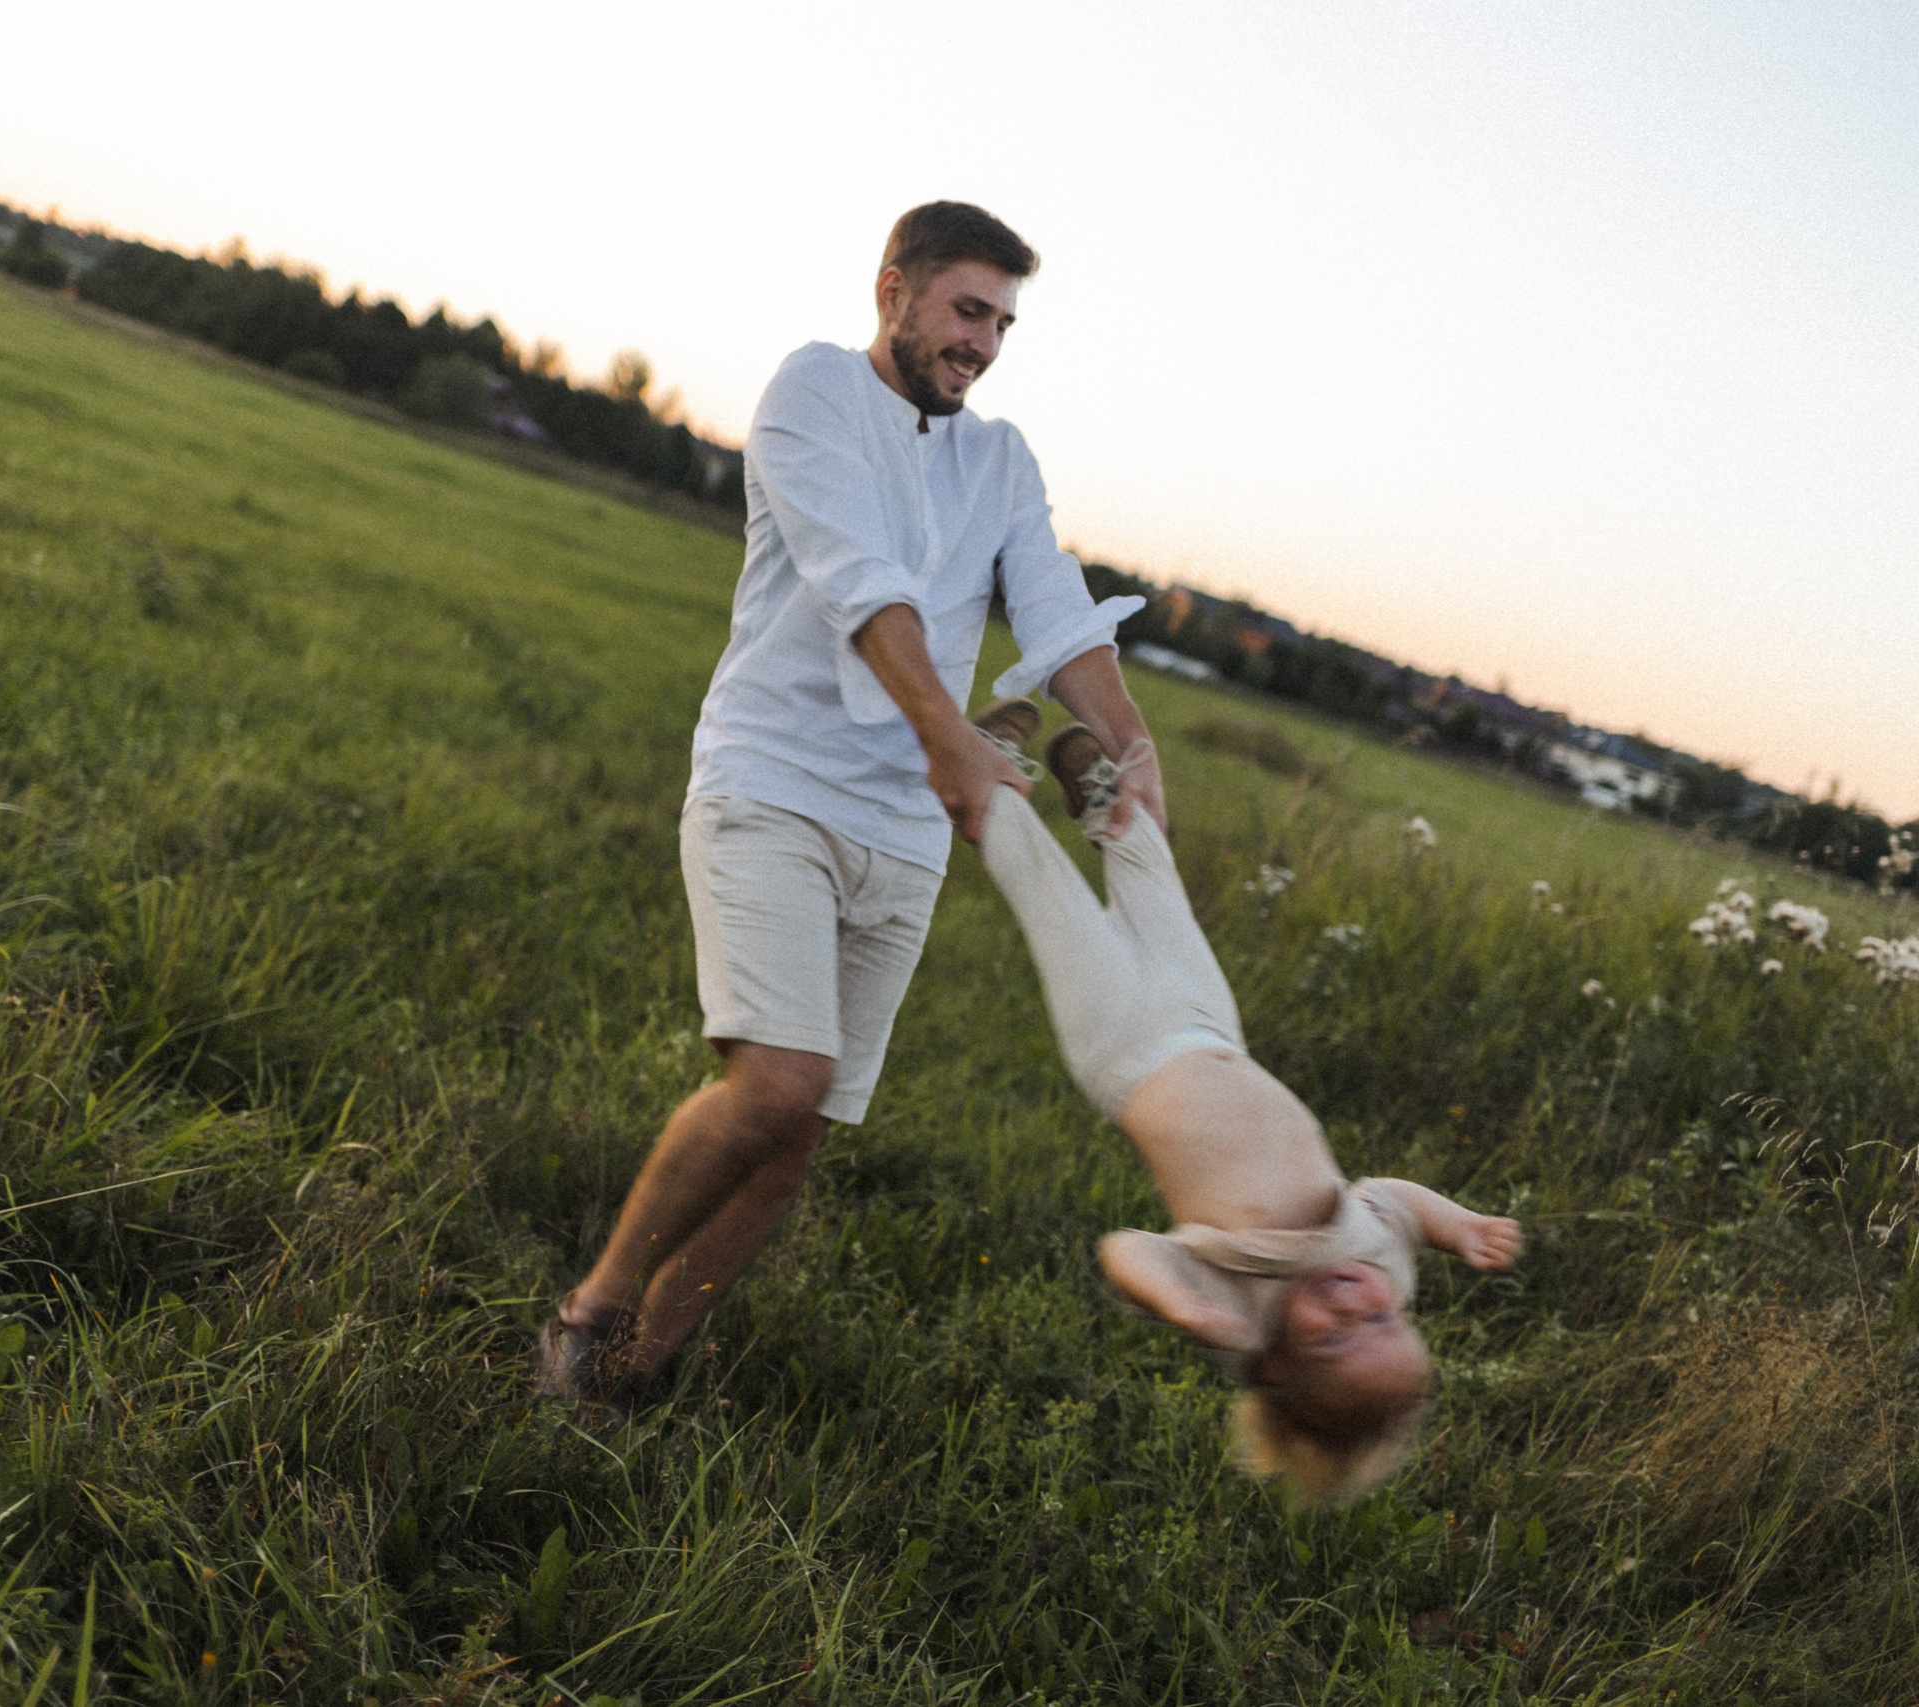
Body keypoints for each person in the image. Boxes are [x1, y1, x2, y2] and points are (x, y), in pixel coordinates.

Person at [536, 202, 1158, 1414]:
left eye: (1002, 323)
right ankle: (590, 1312)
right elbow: (858, 582)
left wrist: (1132, 748)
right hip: (772, 782)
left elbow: (1055, 609)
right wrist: (954, 745)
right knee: (777, 1080)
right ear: (895, 293)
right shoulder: (813, 391)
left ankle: (633, 1380)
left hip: (907, 834)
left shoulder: (1001, 460)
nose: (982, 343)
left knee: (803, 1131)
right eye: (966, 310)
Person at [968, 702, 1523, 1504]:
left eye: (1333, 1339)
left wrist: (1173, 1297)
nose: (1353, 1304)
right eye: (1383, 1321)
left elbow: (1129, 1248)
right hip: (1209, 1027)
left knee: (1054, 904)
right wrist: (1457, 1224)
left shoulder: (1240, 1311)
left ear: (1273, 1364)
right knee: (1158, 892)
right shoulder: (1382, 1265)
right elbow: (1394, 1200)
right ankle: (1103, 802)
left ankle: (983, 776)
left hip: (1125, 1051)